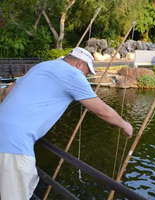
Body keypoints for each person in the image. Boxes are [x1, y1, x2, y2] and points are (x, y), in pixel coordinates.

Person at [0, 47, 133, 200]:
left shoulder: (42, 66)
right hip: (14, 143)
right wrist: (125, 124)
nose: (86, 75)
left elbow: (7, 92)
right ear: (79, 64)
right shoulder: (73, 74)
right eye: (87, 71)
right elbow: (102, 110)